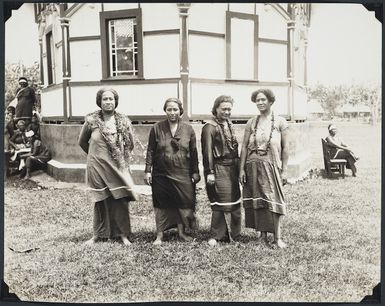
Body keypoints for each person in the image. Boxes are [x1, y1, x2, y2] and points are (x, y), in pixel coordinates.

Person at [78, 88, 137, 246]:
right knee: (100, 199)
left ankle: (123, 234)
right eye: (105, 99)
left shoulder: (123, 121)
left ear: (115, 101)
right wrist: (95, 156)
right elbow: (82, 142)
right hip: (97, 166)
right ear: (100, 101)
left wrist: (120, 159)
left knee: (120, 198)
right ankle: (98, 234)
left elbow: (130, 143)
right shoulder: (91, 121)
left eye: (111, 99)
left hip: (117, 167)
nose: (108, 102)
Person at [144, 98, 200, 245]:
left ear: (180, 110)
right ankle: (160, 235)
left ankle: (181, 232)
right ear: (165, 110)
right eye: (169, 109)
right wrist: (147, 170)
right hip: (161, 173)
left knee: (182, 201)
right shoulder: (157, 128)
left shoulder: (188, 129)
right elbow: (150, 150)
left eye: (175, 109)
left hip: (182, 172)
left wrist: (195, 171)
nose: (172, 112)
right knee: (161, 203)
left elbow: (194, 152)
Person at [239, 89, 289, 249]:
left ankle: (277, 237)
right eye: (257, 100)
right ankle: (261, 236)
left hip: (272, 164)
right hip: (253, 165)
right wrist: (241, 169)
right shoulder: (251, 122)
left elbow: (286, 147)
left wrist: (285, 170)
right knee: (257, 200)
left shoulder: (280, 122)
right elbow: (245, 147)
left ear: (271, 101)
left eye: (263, 99)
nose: (260, 103)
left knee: (274, 199)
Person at [201, 95, 241, 246]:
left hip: (232, 168)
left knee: (234, 198)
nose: (226, 112)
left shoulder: (229, 124)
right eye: (223, 109)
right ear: (216, 108)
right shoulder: (209, 127)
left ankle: (234, 233)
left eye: (229, 109)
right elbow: (207, 152)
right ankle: (217, 234)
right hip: (218, 167)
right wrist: (209, 171)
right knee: (220, 200)